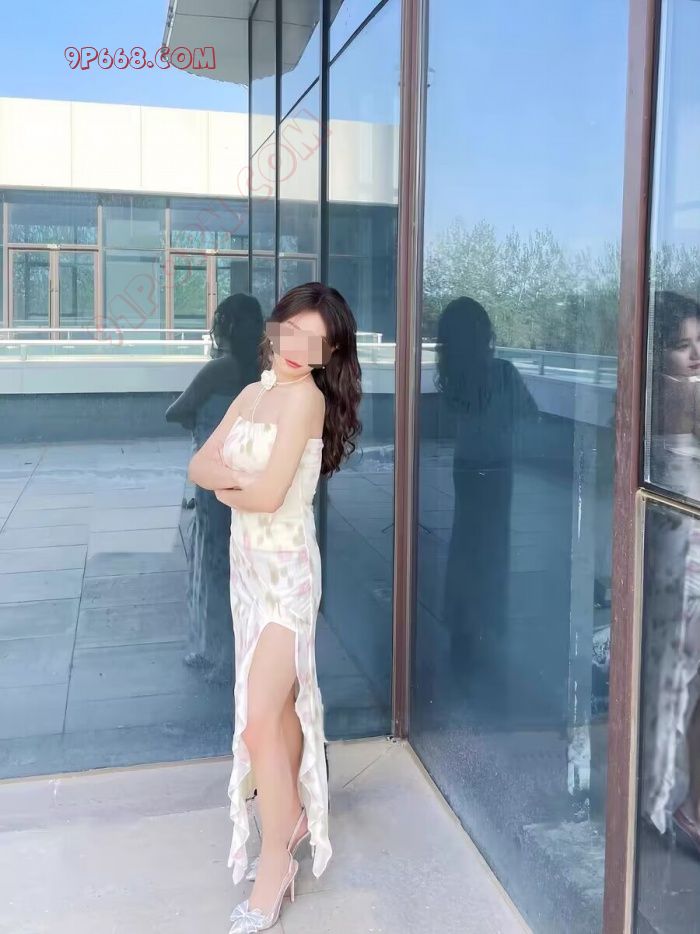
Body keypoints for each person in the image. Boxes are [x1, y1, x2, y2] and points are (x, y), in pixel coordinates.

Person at [187, 282, 361, 932]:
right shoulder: (251, 395)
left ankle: (276, 863)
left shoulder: (306, 399)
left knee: (257, 722)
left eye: (316, 342)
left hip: (288, 576)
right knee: (278, 709)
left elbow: (266, 500)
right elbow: (198, 465)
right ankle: (295, 821)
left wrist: (231, 485)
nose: (298, 349)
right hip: (247, 573)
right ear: (275, 327)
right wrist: (240, 483)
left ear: (329, 353)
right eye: (292, 331)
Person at [436, 297, 538, 711]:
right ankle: (489, 628)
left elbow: (450, 418)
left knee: (465, 549)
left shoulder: (454, 375)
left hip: (467, 467)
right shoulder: (503, 372)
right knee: (493, 550)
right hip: (497, 469)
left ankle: (463, 631)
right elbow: (529, 415)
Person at [166, 293, 263, 683]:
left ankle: (219, 653)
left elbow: (174, 411)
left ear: (225, 326)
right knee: (248, 565)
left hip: (216, 480)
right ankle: (245, 653)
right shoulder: (264, 370)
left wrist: (198, 419)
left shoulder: (220, 369)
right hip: (252, 477)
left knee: (216, 564)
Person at [642, 290, 700, 855]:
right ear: (659, 350)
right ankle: (660, 804)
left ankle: (660, 801)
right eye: (684, 345)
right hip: (681, 560)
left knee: (671, 679)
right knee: (673, 680)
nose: (696, 355)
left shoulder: (657, 393)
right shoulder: (679, 395)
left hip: (678, 552)